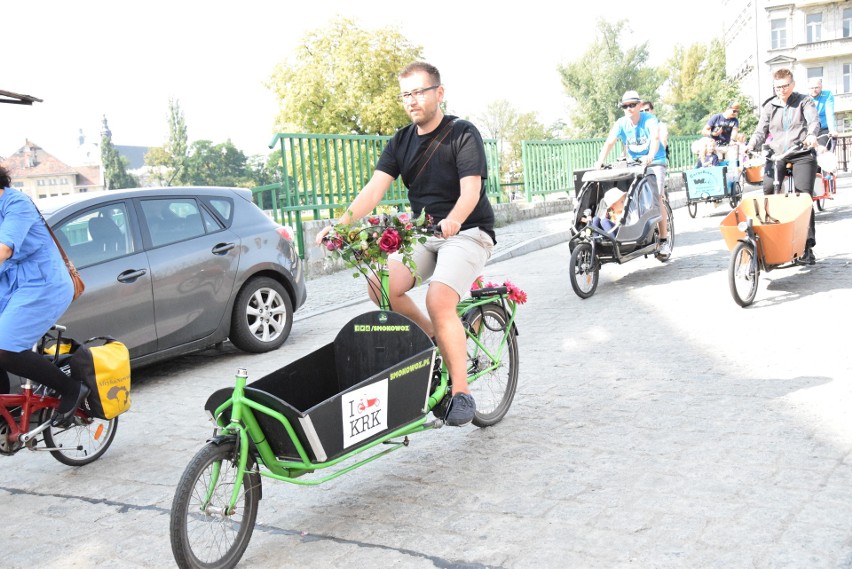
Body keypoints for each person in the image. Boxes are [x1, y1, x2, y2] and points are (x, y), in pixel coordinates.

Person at [315, 61, 494, 427]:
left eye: (419, 92)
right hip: (425, 234)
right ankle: (433, 338)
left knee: (438, 298)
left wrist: (455, 219)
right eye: (406, 94)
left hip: (468, 232)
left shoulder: (462, 133)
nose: (412, 100)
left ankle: (462, 392)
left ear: (438, 93)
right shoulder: (400, 141)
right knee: (380, 285)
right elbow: (374, 190)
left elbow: (471, 190)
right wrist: (340, 225)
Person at [0, 165, 87, 426]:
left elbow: (4, 249)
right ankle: (5, 419)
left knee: (5, 347)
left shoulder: (16, 204)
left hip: (42, 284)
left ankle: (72, 389)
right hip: (11, 285)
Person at [745, 68, 820, 265]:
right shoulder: (770, 106)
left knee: (804, 197)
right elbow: (760, 130)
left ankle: (807, 246)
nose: (781, 90)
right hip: (777, 154)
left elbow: (813, 120)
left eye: (785, 86)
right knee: (768, 190)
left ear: (792, 84)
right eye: (778, 87)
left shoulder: (804, 101)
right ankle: (772, 241)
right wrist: (751, 144)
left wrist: (811, 135)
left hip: (801, 152)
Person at [594, 90, 670, 255]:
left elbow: (655, 139)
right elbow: (610, 142)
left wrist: (650, 156)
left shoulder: (649, 120)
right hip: (635, 164)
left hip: (655, 161)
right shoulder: (621, 123)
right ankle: (632, 232)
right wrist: (600, 161)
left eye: (633, 105)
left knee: (657, 198)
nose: (629, 108)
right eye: (625, 106)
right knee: (628, 196)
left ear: (640, 105)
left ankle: (664, 240)